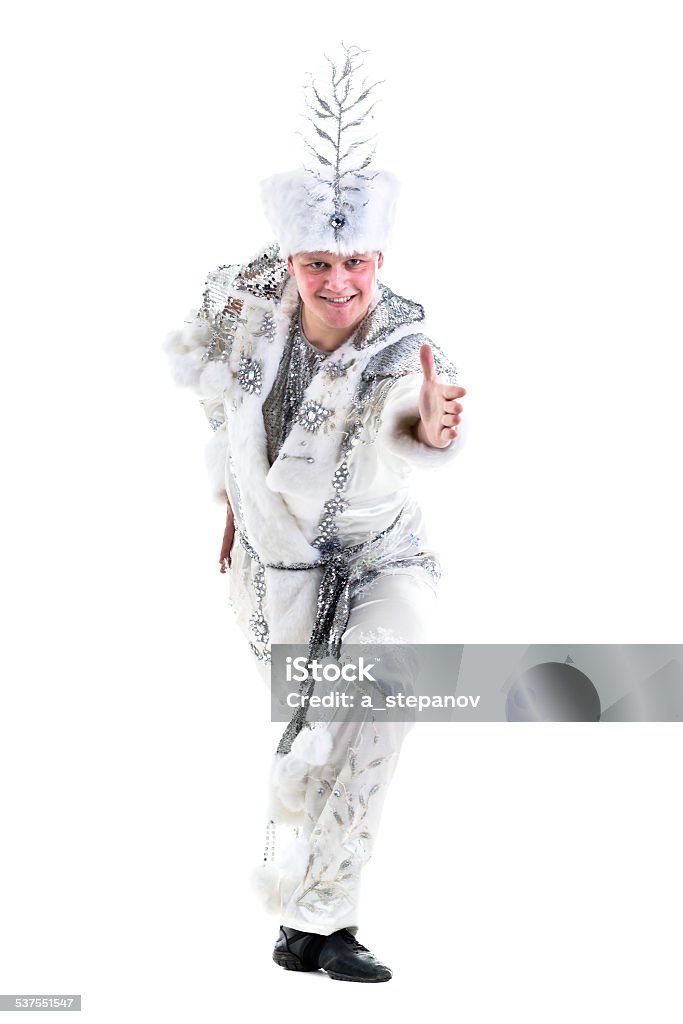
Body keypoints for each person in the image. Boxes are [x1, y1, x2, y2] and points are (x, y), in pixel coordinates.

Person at [163, 44, 466, 983]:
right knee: (312, 726)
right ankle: (299, 921)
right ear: (289, 257)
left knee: (373, 709)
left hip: (381, 563)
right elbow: (219, 402)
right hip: (275, 570)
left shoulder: (405, 347)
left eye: (359, 263)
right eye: (318, 261)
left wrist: (433, 427)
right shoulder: (239, 303)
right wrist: (230, 499)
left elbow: (409, 423)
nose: (340, 282)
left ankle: (326, 916)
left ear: (382, 257)